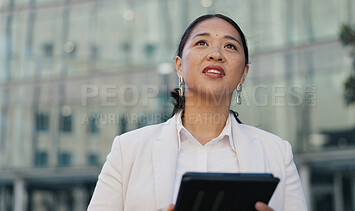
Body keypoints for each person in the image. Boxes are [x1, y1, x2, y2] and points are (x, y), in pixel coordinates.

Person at [87, 14, 308, 211]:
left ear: (244, 74)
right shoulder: (128, 151)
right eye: (202, 42)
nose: (216, 54)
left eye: (230, 46)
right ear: (179, 66)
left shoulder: (278, 153)